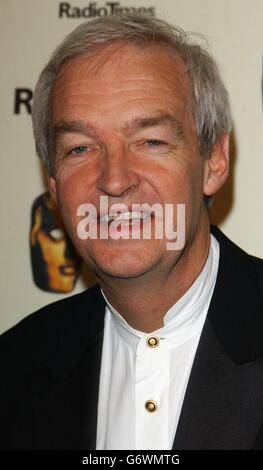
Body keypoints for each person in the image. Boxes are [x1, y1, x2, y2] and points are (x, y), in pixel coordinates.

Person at [1, 13, 263, 451]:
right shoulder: (14, 367)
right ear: (53, 185)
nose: (115, 180)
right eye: (80, 148)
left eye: (151, 141)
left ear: (214, 161)